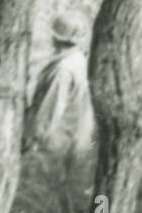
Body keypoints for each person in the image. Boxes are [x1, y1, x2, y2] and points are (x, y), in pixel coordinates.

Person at [24, 13, 95, 162]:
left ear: (56, 38)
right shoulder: (78, 59)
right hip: (70, 139)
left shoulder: (63, 69)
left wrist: (31, 142)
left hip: (51, 145)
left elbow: (50, 110)